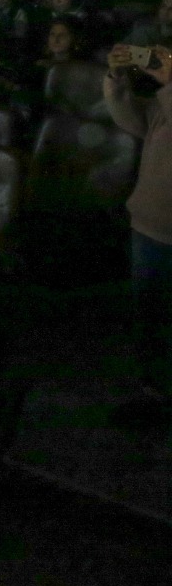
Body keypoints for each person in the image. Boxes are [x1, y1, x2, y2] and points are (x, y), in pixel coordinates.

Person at [105, 43, 172, 416]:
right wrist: (117, 80)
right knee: (150, 318)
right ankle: (154, 392)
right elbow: (132, 119)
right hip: (149, 225)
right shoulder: (165, 101)